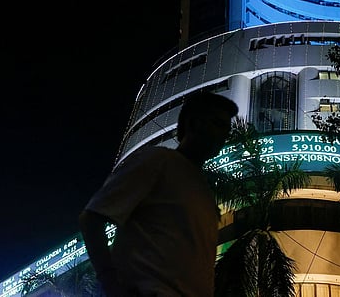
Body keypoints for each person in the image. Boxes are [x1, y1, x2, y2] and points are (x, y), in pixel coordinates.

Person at [79, 91, 238, 297]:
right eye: (218, 124)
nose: (224, 135)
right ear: (194, 123)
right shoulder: (158, 161)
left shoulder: (205, 193)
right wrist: (111, 283)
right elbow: (91, 219)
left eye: (227, 129)